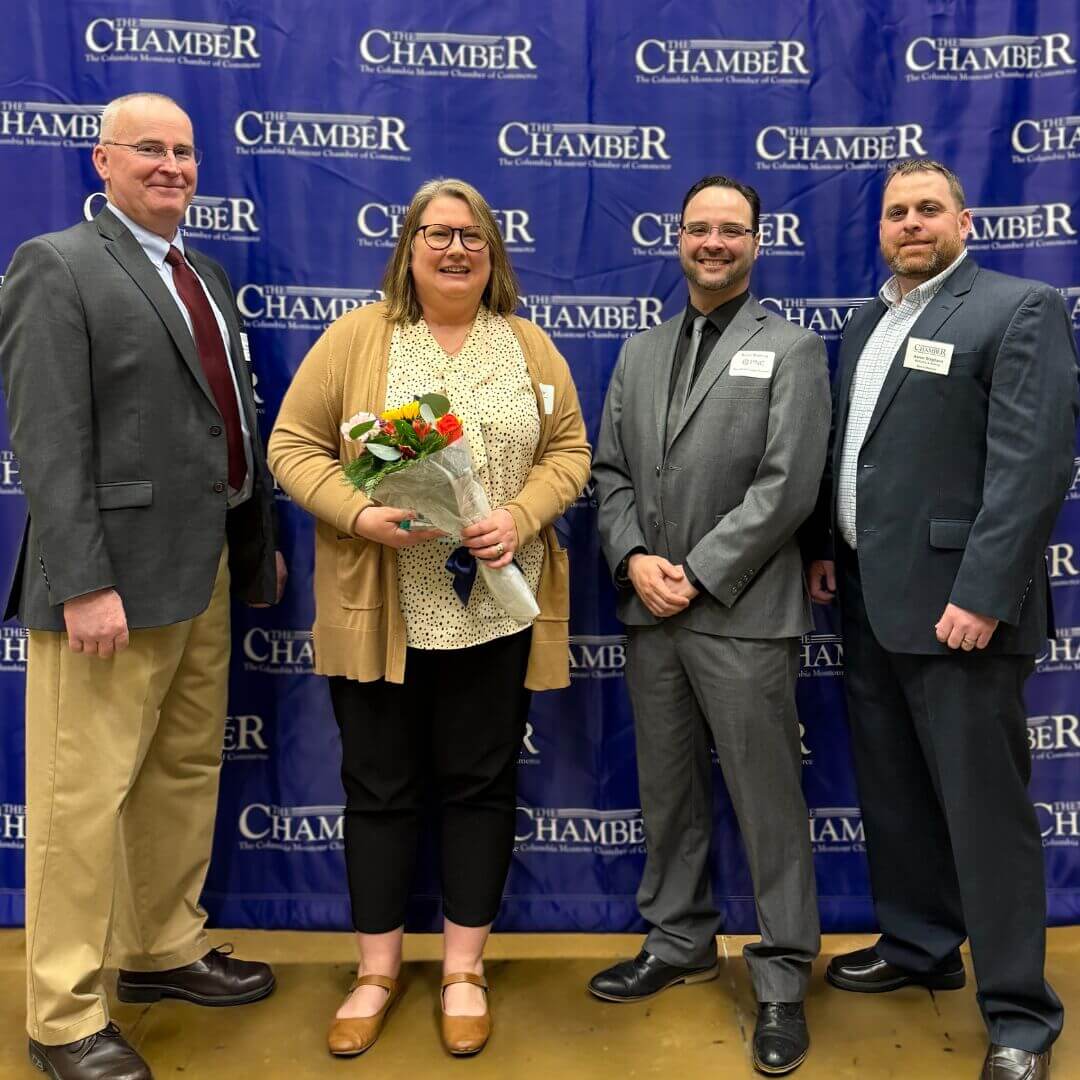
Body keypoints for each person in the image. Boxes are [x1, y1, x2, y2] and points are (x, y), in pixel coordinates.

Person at [268, 177, 589, 1058]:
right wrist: (357, 513)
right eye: (438, 234)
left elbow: (571, 452)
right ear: (408, 248)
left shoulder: (527, 346)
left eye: (473, 237)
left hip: (495, 608)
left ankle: (460, 971)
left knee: (480, 787)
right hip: (385, 608)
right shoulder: (358, 339)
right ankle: (375, 973)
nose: (456, 250)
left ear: (495, 254)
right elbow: (291, 445)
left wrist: (520, 516)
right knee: (377, 788)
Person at [0, 92, 286, 1080]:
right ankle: (63, 1013)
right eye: (150, 150)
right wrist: (81, 581)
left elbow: (227, 422)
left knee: (179, 772)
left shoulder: (202, 273)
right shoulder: (57, 266)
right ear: (103, 161)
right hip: (107, 587)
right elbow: (46, 439)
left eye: (185, 150)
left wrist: (254, 547)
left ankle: (161, 947)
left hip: (200, 568)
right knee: (79, 801)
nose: (173, 166)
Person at [803, 158, 1078, 1080]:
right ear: (880, 231)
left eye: (928, 209)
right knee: (896, 795)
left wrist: (984, 593)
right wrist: (824, 552)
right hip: (871, 604)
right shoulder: (865, 323)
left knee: (986, 815)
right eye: (896, 213)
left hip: (963, 611)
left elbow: (1032, 467)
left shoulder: (1018, 308)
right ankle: (919, 944)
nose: (911, 224)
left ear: (966, 220)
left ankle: (1019, 1017)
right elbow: (860, 457)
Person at [590, 174, 830, 1076]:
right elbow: (609, 474)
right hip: (651, 613)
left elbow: (788, 486)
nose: (714, 243)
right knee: (669, 793)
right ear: (678, 239)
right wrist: (634, 562)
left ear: (756, 243)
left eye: (732, 230)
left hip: (743, 615)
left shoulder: (794, 349)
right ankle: (679, 938)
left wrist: (696, 572)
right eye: (700, 229)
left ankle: (780, 979)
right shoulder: (642, 350)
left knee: (768, 805)